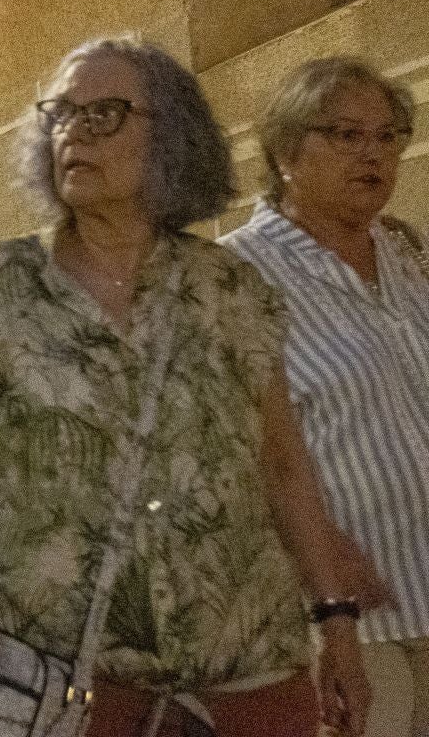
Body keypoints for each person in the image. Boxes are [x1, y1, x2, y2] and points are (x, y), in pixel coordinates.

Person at [0, 37, 367, 737]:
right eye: (61, 114)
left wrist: (337, 622)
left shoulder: (232, 289)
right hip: (61, 683)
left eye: (106, 114)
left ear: (170, 136)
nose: (74, 133)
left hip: (246, 672)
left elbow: (283, 465)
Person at [221, 57, 428, 737]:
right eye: (347, 135)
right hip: (344, 621)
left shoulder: (408, 257)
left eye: (388, 135)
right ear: (286, 153)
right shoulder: (235, 276)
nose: (374, 154)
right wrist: (325, 570)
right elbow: (226, 453)